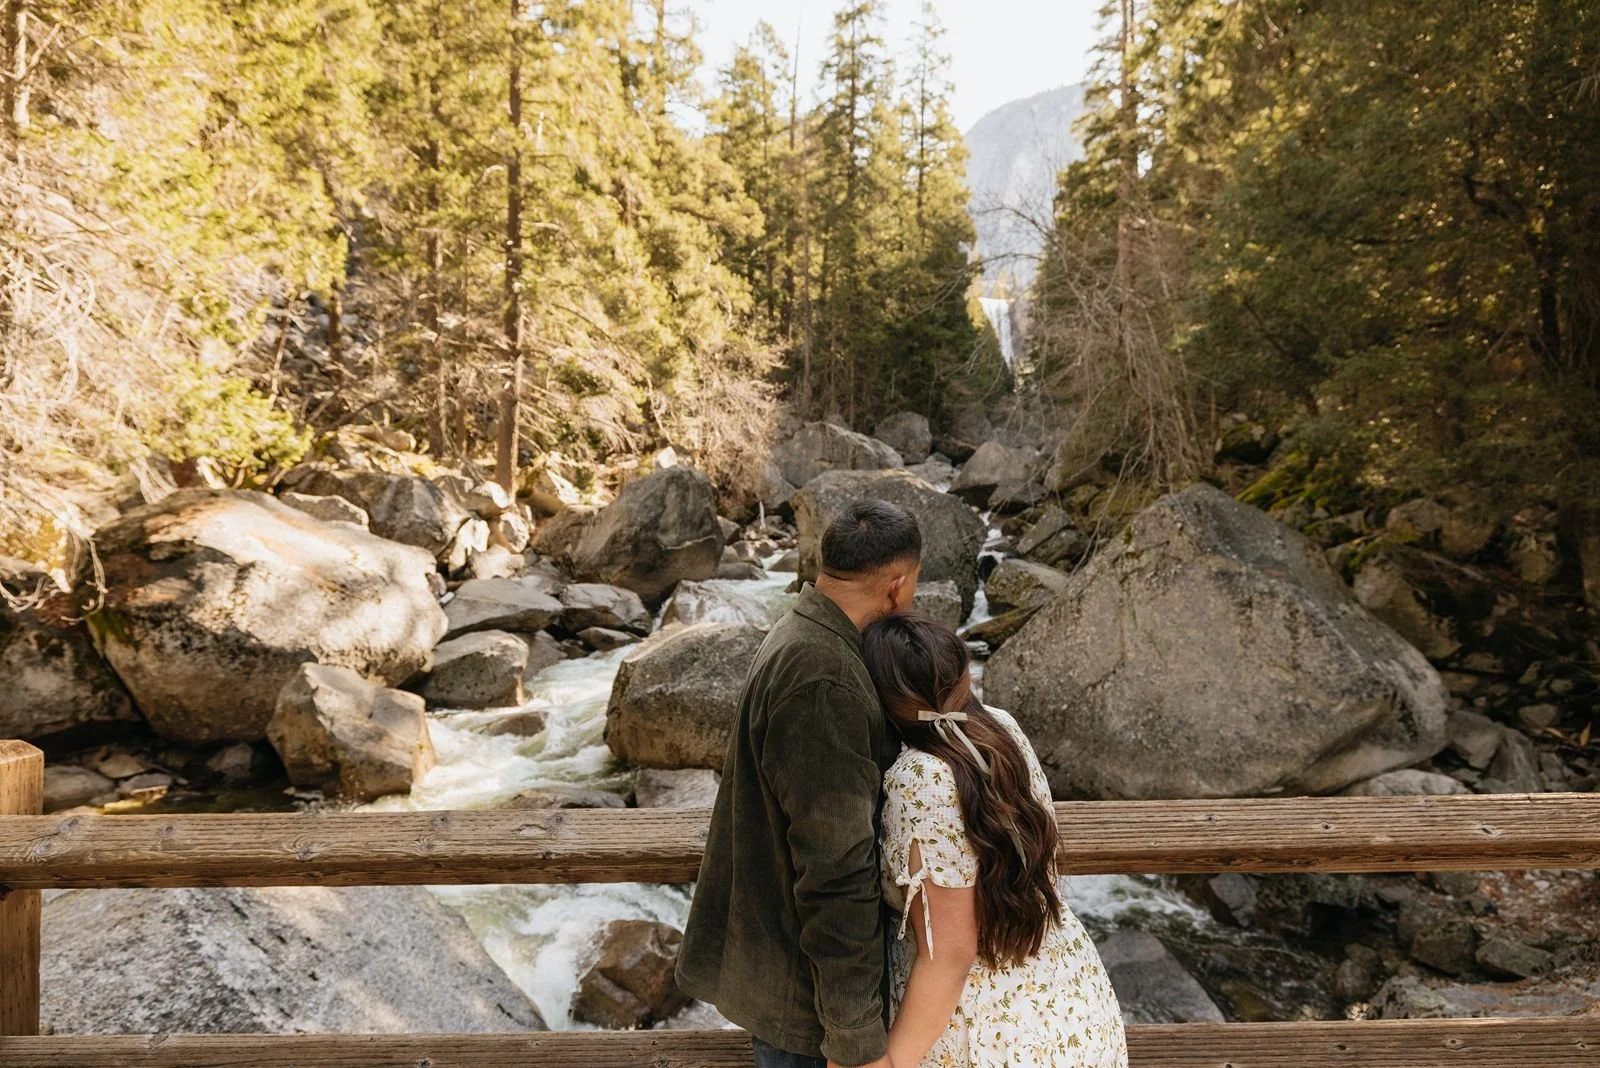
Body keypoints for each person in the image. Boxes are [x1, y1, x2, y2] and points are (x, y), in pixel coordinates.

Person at [678, 499, 923, 1068]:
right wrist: (855, 1041)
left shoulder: (804, 629)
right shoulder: (825, 679)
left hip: (793, 980)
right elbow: (835, 871)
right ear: (897, 584)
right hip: (807, 1002)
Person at [860, 613, 1128, 1068]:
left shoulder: (920, 777)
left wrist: (892, 1062)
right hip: (1071, 1003)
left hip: (987, 1033)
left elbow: (950, 955)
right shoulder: (1002, 729)